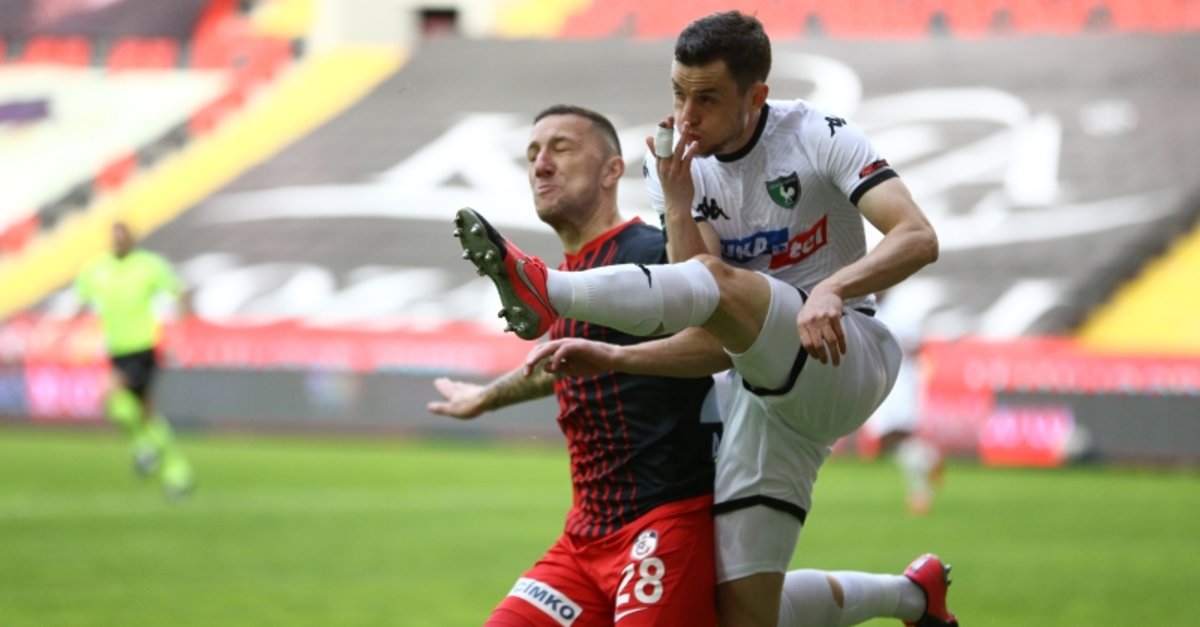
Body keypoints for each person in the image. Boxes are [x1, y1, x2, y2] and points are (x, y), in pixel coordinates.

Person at [452, 11, 955, 627]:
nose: (686, 117)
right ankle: (912, 597)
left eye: (708, 99)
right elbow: (704, 322)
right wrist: (677, 201)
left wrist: (833, 287)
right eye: (678, 94)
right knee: (741, 616)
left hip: (843, 352)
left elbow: (918, 236)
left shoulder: (819, 134)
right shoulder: (675, 167)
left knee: (721, 282)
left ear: (756, 96)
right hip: (760, 394)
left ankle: (548, 289)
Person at [434, 104, 724, 626]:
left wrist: (615, 355)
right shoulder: (569, 278)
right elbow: (566, 362)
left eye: (561, 148)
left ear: (612, 171)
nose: (541, 164)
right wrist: (485, 397)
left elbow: (716, 343)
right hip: (583, 539)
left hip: (662, 524)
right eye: (532, 154)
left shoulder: (650, 253)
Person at [74, 221, 195, 500]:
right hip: (117, 350)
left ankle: (146, 449)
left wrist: (179, 332)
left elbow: (179, 291)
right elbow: (81, 301)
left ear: (131, 239)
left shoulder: (147, 265)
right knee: (144, 413)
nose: (118, 242)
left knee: (111, 395)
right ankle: (176, 471)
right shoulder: (97, 269)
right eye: (114, 237)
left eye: (123, 237)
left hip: (143, 346)